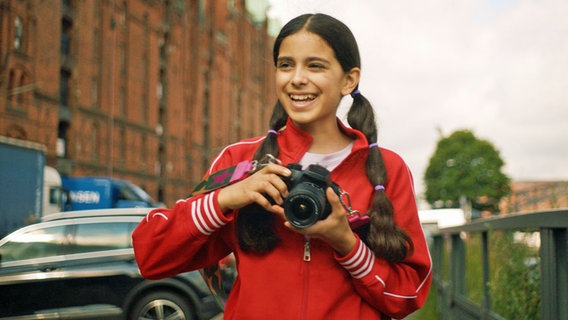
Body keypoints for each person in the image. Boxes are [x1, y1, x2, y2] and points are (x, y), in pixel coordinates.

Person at [132, 13, 432, 320]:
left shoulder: (385, 168)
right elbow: (151, 256)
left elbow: (409, 294)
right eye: (286, 65)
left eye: (315, 65)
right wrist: (227, 198)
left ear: (349, 79)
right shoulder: (240, 160)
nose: (296, 78)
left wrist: (346, 242)